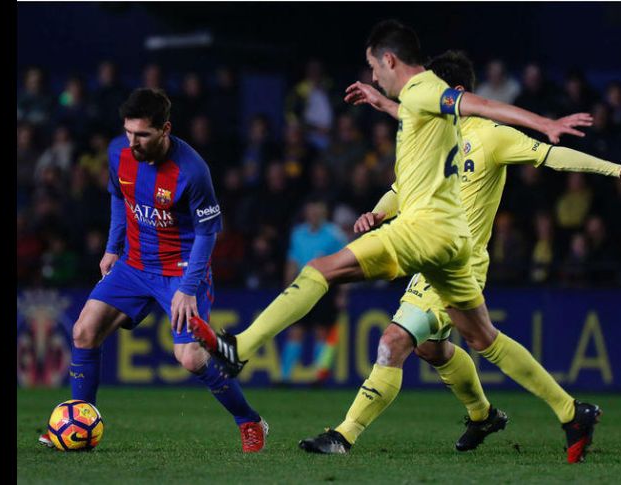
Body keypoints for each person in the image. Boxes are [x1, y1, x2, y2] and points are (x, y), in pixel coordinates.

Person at [188, 20, 594, 462]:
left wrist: (543, 123)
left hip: (422, 232)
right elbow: (420, 121)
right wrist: (382, 103)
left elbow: (475, 103)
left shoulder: (427, 90)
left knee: (327, 275)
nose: (373, 75)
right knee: (478, 339)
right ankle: (567, 411)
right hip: (452, 243)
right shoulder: (430, 113)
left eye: (373, 67)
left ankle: (249, 355)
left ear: (389, 59)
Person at [298, 49, 621, 459]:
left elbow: (550, 155)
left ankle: (343, 435)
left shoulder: (491, 135)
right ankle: (504, 414)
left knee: (394, 340)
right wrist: (379, 212)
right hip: (428, 257)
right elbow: (403, 189)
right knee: (438, 347)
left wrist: (617, 170)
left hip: (459, 262)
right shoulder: (433, 134)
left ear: (456, 92)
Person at [38, 88, 268, 452]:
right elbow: (119, 196)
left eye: (143, 135)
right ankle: (78, 425)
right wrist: (112, 248)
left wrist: (188, 288)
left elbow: (208, 234)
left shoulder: (192, 171)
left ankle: (250, 421)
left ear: (165, 129)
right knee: (83, 331)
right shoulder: (118, 152)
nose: (133, 142)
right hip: (133, 264)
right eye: (128, 132)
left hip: (180, 270)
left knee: (190, 358)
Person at [280, 199, 348, 385]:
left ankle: (318, 377)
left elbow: (346, 264)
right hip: (302, 287)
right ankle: (284, 378)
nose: (314, 214)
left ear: (324, 212)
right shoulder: (298, 234)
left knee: (321, 331)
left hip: (326, 287)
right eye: (311, 210)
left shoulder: (335, 235)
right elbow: (292, 261)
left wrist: (342, 293)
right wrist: (287, 289)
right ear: (306, 212)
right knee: (296, 330)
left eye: (317, 211)